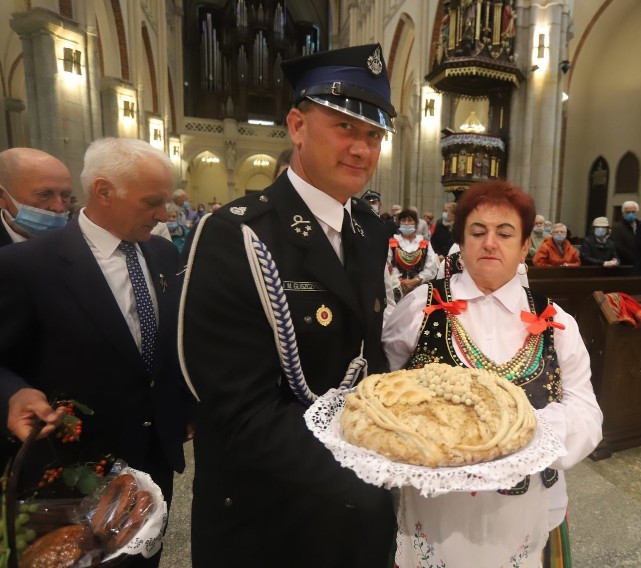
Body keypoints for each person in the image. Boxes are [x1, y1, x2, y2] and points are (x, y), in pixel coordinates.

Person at [179, 44, 396, 567]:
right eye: (345, 127)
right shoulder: (236, 234)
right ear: (297, 127)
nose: (362, 149)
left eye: (373, 134)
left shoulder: (368, 229)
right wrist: (372, 468)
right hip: (272, 515)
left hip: (357, 514)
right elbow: (238, 410)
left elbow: (368, 357)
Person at [383, 180, 603, 567]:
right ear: (462, 243)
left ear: (523, 247)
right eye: (478, 232)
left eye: (505, 233)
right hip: (436, 508)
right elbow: (384, 387)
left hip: (524, 506)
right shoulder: (422, 306)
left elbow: (586, 413)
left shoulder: (555, 321)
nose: (490, 243)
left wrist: (518, 433)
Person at [0, 137, 188, 567]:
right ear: (104, 192)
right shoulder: (27, 266)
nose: (164, 214)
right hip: (72, 467)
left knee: (143, 557)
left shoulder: (160, 252)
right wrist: (14, 394)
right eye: (152, 202)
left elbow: (165, 344)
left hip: (152, 455)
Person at [0, 147, 72, 246]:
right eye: (44, 195)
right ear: (2, 197)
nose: (59, 208)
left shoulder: (80, 242)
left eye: (65, 195)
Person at [387, 208, 438, 297]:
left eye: (410, 220)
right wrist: (400, 281)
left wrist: (415, 280)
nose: (406, 223)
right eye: (403, 220)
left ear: (416, 223)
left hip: (420, 289)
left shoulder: (424, 243)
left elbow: (431, 267)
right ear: (399, 223)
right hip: (397, 289)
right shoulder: (392, 243)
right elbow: (388, 266)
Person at [610, 200, 640, 265]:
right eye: (628, 212)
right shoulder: (617, 227)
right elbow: (618, 247)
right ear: (623, 213)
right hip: (625, 264)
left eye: (633, 212)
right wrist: (635, 259)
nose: (631, 214)